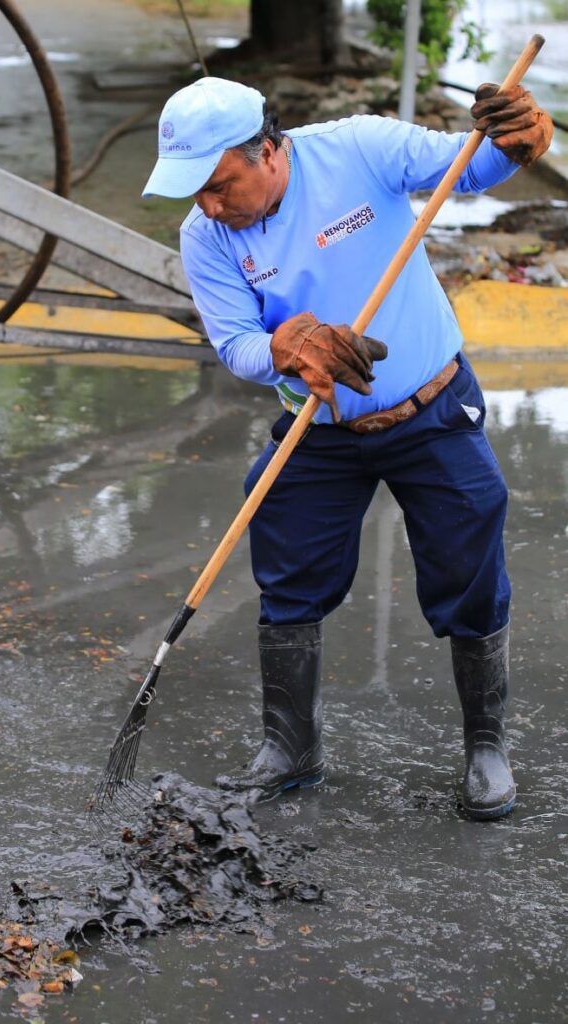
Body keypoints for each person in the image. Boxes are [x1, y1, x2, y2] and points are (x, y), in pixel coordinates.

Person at [142, 76, 553, 820]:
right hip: (320, 427)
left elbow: (467, 166)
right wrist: (286, 343)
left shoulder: (358, 149)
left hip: (429, 407)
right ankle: (289, 749)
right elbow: (235, 345)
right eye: (193, 192)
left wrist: (513, 143)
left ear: (266, 150)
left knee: (470, 564)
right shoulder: (206, 236)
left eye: (217, 185)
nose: (207, 205)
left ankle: (485, 747)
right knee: (288, 569)